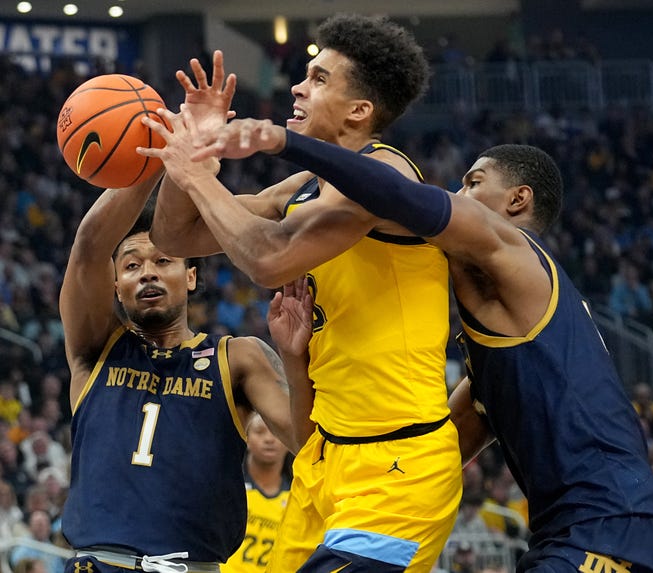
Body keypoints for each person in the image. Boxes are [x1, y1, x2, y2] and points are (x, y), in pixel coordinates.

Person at [168, 123, 653, 572]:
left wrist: (284, 143)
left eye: (472, 183)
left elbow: (399, 196)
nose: (455, 193)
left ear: (517, 200)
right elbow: (438, 445)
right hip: (570, 531)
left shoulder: (516, 251)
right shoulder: (500, 346)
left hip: (610, 524)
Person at [139, 14, 463, 573]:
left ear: (359, 110)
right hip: (322, 461)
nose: (296, 85)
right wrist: (189, 154)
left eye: (317, 78)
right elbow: (175, 235)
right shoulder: (303, 185)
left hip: (399, 467)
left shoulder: (385, 179)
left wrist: (198, 177)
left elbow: (268, 258)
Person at [57, 171, 308, 573]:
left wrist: (294, 360)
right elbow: (89, 244)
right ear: (117, 286)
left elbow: (308, 442)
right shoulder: (96, 348)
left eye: (163, 260)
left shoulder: (237, 358)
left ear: (191, 276)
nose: (147, 273)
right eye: (132, 265)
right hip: (99, 564)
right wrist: (155, 161)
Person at [223, 412, 292, 573]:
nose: (269, 439)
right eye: (260, 431)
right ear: (245, 437)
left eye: (276, 433)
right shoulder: (229, 486)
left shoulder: (296, 496)